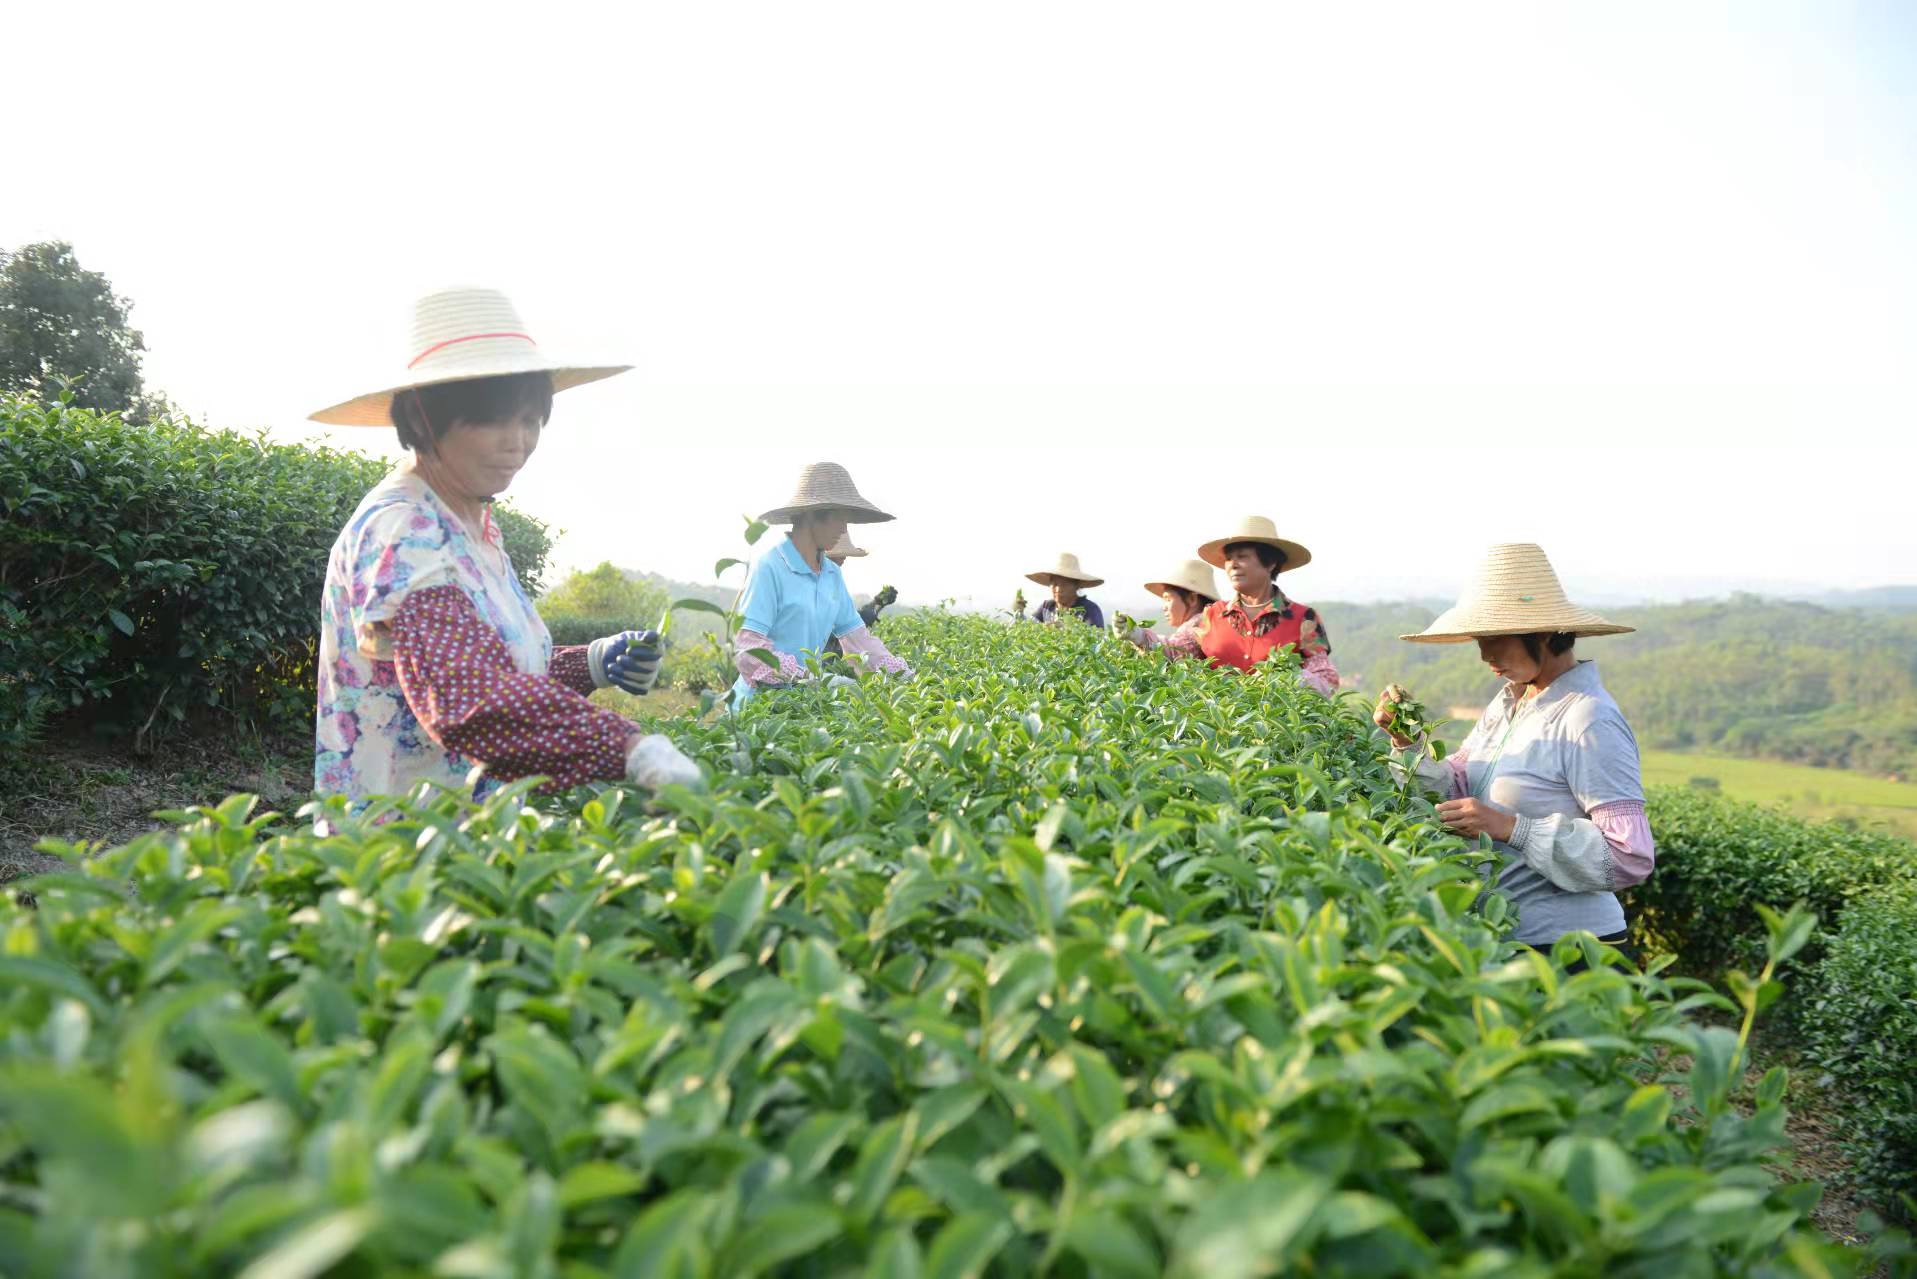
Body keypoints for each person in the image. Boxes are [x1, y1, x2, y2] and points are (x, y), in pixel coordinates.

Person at [310, 287, 701, 803]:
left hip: (474, 843)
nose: (517, 441)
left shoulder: (471, 525)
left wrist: (588, 663)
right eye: (493, 419)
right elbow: (464, 693)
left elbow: (484, 659)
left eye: (530, 420)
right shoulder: (405, 531)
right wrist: (629, 747)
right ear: (426, 418)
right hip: (401, 856)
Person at [1373, 542, 1654, 956]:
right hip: (1506, 940)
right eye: (1479, 640)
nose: (1485, 653)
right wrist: (1406, 740)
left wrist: (1512, 828)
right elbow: (1458, 792)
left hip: (1572, 948)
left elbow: (1629, 855)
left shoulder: (1588, 719)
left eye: (1496, 638)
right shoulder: (1509, 704)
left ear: (1543, 633)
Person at [732, 463, 914, 700]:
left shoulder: (831, 574)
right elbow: (748, 649)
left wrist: (904, 675)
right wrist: (805, 677)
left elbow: (858, 641)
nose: (843, 529)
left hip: (801, 705)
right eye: (838, 518)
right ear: (810, 516)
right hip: (757, 710)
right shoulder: (771, 567)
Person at [1127, 516, 1339, 695]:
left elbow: (1326, 678)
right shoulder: (1211, 615)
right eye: (1229, 559)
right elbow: (1175, 651)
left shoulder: (1303, 619)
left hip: (1277, 733)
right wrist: (1139, 636)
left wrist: (1293, 680)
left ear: (1270, 563)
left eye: (1242, 557)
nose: (1233, 565)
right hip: (1221, 731)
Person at [823, 530, 898, 655]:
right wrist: (866, 614)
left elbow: (850, 618)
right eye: (839, 553)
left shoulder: (833, 580)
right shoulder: (817, 583)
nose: (844, 557)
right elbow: (830, 629)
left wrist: (877, 603)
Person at [1026, 554, 1106, 627]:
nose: (1058, 589)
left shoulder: (1089, 609)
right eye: (1054, 584)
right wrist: (1019, 612)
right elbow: (1028, 628)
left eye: (1064, 585)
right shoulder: (1047, 607)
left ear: (1076, 586)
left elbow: (1097, 637)